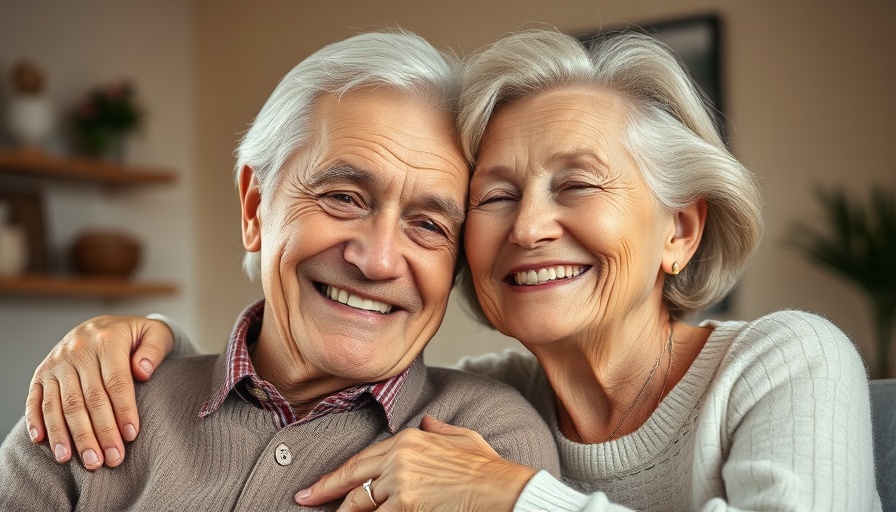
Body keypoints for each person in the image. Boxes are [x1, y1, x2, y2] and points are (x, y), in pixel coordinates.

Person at [22, 28, 880, 511]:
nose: (531, 227)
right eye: (496, 197)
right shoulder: (484, 400)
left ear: (680, 232)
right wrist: (133, 344)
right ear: (255, 205)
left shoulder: (783, 361)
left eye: (576, 184)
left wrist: (514, 495)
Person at [0, 30, 561, 511]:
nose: (379, 260)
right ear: (254, 208)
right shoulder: (91, 398)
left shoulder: (488, 443)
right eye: (343, 197)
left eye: (430, 226)